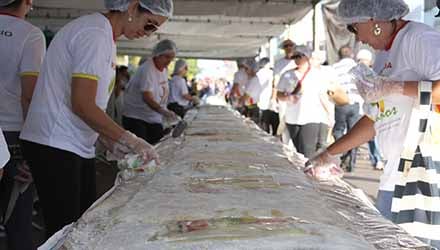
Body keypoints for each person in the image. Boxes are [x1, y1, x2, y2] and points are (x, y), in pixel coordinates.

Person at [20, 0, 172, 239]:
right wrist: (129, 139)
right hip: (56, 142)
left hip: (71, 142)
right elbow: (82, 104)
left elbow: (92, 105)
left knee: (84, 225)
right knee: (67, 232)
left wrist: (111, 141)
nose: (148, 33)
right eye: (150, 24)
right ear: (132, 8)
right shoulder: (95, 33)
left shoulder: (106, 38)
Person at [306, 0, 440, 247]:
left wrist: (396, 87)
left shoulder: (418, 38)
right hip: (394, 176)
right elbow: (375, 119)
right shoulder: (382, 57)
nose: (356, 38)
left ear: (373, 20)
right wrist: (329, 153)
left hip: (424, 176)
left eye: (354, 28)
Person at [0, 0, 46, 249]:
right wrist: (34, 147)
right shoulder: (29, 35)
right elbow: (29, 95)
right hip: (13, 136)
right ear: (27, 2)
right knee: (17, 220)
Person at [277, 46, 333, 158]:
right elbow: (279, 94)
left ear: (307, 57)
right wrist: (287, 97)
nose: (296, 59)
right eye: (294, 57)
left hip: (312, 118)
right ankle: (304, 172)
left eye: (299, 56)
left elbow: (323, 96)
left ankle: (308, 174)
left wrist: (330, 115)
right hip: (292, 118)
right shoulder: (287, 75)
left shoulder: (317, 75)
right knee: (298, 151)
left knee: (307, 151)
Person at [122, 39, 177, 144]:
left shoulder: (164, 70)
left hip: (153, 117)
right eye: (167, 57)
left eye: (172, 58)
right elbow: (147, 97)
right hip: (136, 117)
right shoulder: (147, 70)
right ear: (158, 54)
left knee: (157, 147)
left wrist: (164, 112)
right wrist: (163, 111)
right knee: (141, 151)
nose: (169, 61)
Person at [331, 46, 363, 172]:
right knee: (354, 133)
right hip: (356, 104)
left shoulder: (334, 68)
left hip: (341, 103)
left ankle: (343, 152)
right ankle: (352, 162)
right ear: (352, 55)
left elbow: (331, 87)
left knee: (338, 130)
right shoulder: (359, 68)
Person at [356, 49, 385, 170]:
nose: (362, 63)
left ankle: (379, 159)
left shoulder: (375, 72)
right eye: (360, 61)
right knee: (371, 137)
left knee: (377, 135)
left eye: (364, 61)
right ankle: (376, 159)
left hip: (380, 107)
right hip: (367, 109)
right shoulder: (357, 74)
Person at [274, 39, 297, 145]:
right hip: (284, 95)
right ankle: (286, 144)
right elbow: (275, 80)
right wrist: (274, 97)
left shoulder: (297, 61)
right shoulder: (279, 63)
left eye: (290, 45)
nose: (288, 48)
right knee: (284, 119)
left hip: (298, 96)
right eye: (286, 46)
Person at [257, 57, 279, 135]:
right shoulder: (272, 73)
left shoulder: (258, 74)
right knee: (275, 127)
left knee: (264, 128)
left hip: (261, 103)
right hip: (273, 103)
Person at [240, 59, 262, 124]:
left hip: (251, 109)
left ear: (252, 69)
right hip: (250, 107)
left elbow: (246, 96)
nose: (245, 71)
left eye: (246, 69)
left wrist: (239, 103)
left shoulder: (253, 81)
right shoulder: (251, 80)